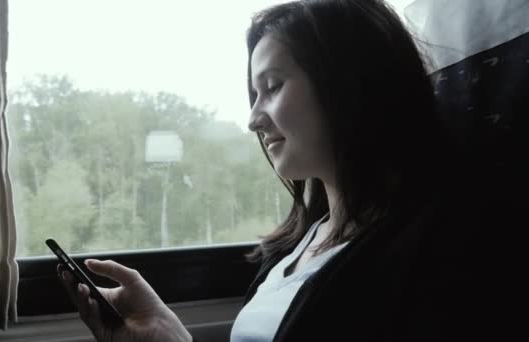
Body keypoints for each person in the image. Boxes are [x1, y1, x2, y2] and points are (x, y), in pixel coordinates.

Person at [58, 0, 486, 340]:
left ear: (349, 83)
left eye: (273, 86)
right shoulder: (297, 244)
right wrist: (167, 334)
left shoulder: (433, 251)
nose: (253, 119)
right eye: (254, 93)